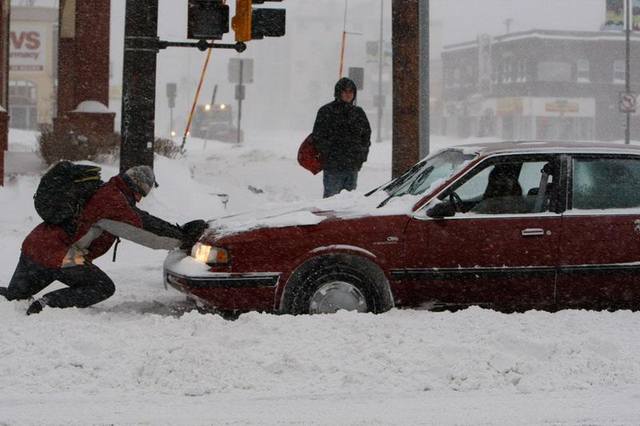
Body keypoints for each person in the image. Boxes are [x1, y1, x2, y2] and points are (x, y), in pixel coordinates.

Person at [0, 165, 206, 315]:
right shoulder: (113, 202)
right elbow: (143, 229)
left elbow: (140, 219)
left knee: (14, 297)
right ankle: (46, 305)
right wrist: (181, 238)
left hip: (34, 245)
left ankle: (30, 303)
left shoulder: (103, 190)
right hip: (61, 254)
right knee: (102, 287)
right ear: (139, 189)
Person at [312, 77, 371, 198]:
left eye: (351, 91)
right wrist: (328, 154)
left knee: (348, 205)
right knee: (331, 203)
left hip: (352, 167)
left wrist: (361, 157)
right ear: (338, 92)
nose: (348, 94)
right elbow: (318, 137)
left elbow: (366, 137)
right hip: (332, 167)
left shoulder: (358, 113)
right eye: (345, 91)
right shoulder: (326, 111)